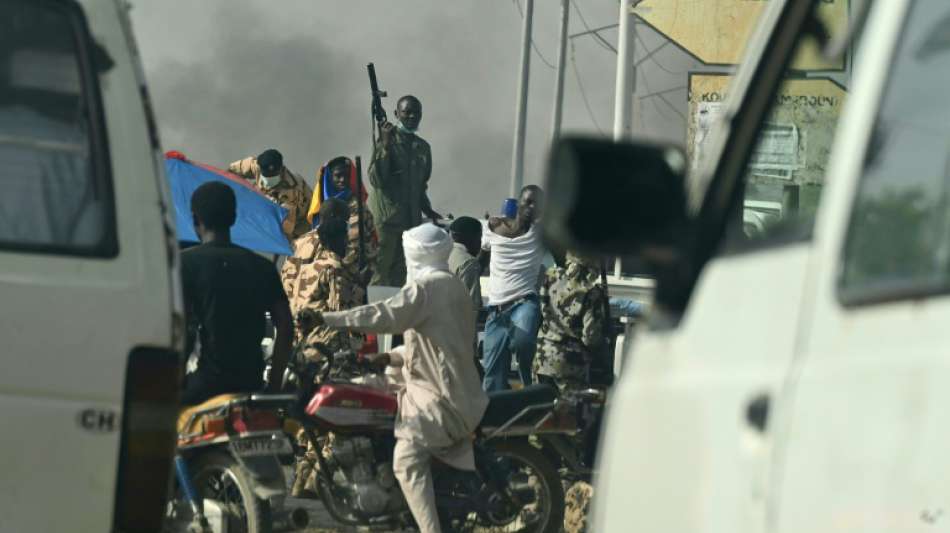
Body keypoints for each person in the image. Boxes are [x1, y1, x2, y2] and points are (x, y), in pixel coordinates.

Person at [299, 224, 488, 533]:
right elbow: (433, 345)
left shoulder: (425, 289)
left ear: (415, 254)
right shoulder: (452, 286)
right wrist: (389, 357)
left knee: (406, 460)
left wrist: (327, 319)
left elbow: (383, 315)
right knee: (356, 390)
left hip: (441, 397)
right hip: (434, 384)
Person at [279, 197, 364, 498]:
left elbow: (287, 290)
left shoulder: (296, 247)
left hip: (300, 343)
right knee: (333, 412)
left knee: (308, 413)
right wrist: (358, 285)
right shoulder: (334, 263)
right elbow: (342, 313)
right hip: (329, 345)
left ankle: (303, 479)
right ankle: (318, 478)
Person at [180, 181, 292, 406]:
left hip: (203, 387)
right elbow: (286, 325)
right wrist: (274, 385)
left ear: (195, 219)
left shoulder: (185, 264)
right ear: (233, 218)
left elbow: (180, 327)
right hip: (250, 385)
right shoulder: (263, 267)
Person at [369, 95, 443, 287]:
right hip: (387, 222)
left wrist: (428, 210)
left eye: (416, 113)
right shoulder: (386, 142)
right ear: (396, 114)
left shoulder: (423, 148)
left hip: (410, 224)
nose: (411, 117)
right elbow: (376, 179)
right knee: (379, 274)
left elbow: (420, 186)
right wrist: (385, 146)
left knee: (401, 276)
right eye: (406, 112)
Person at [480, 185, 545, 391]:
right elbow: (480, 260)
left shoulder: (540, 234)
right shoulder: (492, 228)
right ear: (518, 202)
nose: (531, 208)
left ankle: (530, 388)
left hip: (524, 303)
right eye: (528, 202)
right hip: (496, 311)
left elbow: (562, 259)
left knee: (524, 343)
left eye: (537, 205)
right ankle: (493, 415)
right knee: (492, 375)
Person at [533, 251, 608, 392]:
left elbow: (543, 308)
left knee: (540, 407)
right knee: (569, 411)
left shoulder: (551, 276)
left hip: (542, 357)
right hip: (571, 364)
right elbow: (590, 337)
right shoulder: (591, 292)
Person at [307, 156, 379, 299]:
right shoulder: (321, 204)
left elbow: (371, 239)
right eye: (337, 176)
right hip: (323, 275)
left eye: (346, 176)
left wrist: (365, 271)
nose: (342, 180)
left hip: (354, 276)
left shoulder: (357, 206)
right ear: (329, 177)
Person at [229, 148, 313, 242]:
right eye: (266, 176)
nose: (268, 180)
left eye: (273, 176)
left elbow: (286, 230)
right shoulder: (257, 165)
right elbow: (232, 170)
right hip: (265, 203)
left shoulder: (291, 193)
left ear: (281, 170)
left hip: (299, 223)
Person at [447, 216, 483, 313]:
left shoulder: (440, 253)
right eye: (479, 238)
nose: (480, 243)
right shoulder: (468, 263)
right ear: (472, 238)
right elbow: (472, 305)